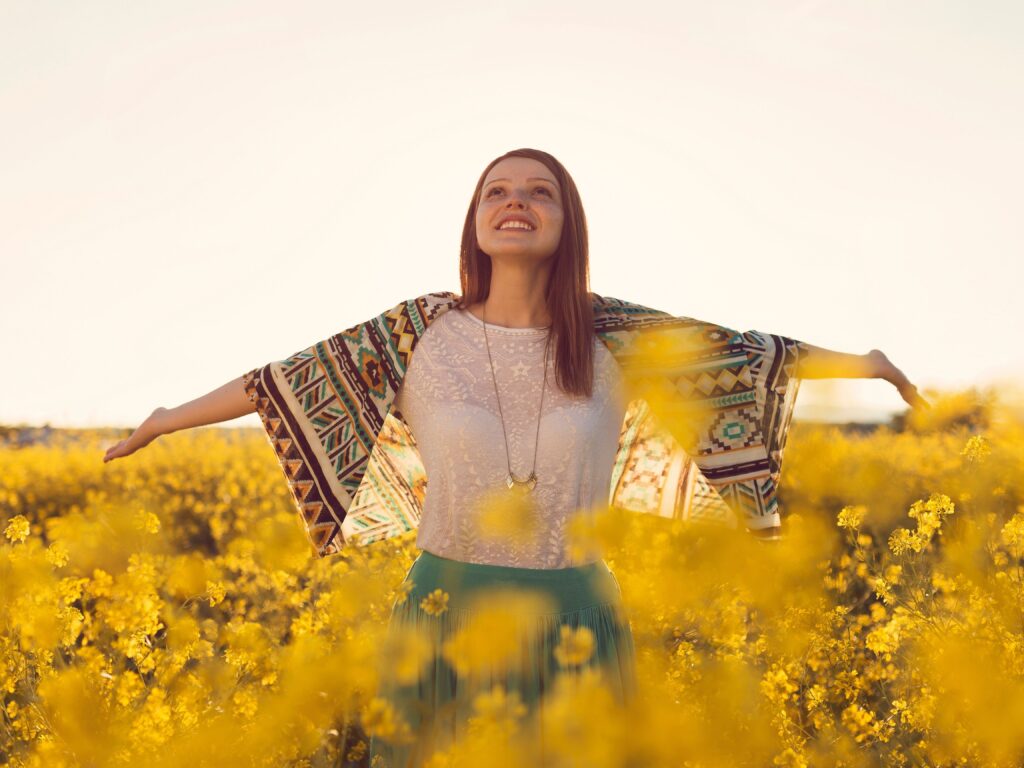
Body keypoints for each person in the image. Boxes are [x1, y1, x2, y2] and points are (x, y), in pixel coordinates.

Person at [103, 148, 929, 766]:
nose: (515, 203)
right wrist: (169, 418)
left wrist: (868, 363)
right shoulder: (418, 330)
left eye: (539, 192)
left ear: (568, 223)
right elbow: (281, 383)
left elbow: (748, 355)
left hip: (578, 616)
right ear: (473, 221)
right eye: (496, 191)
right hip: (441, 618)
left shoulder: (617, 338)